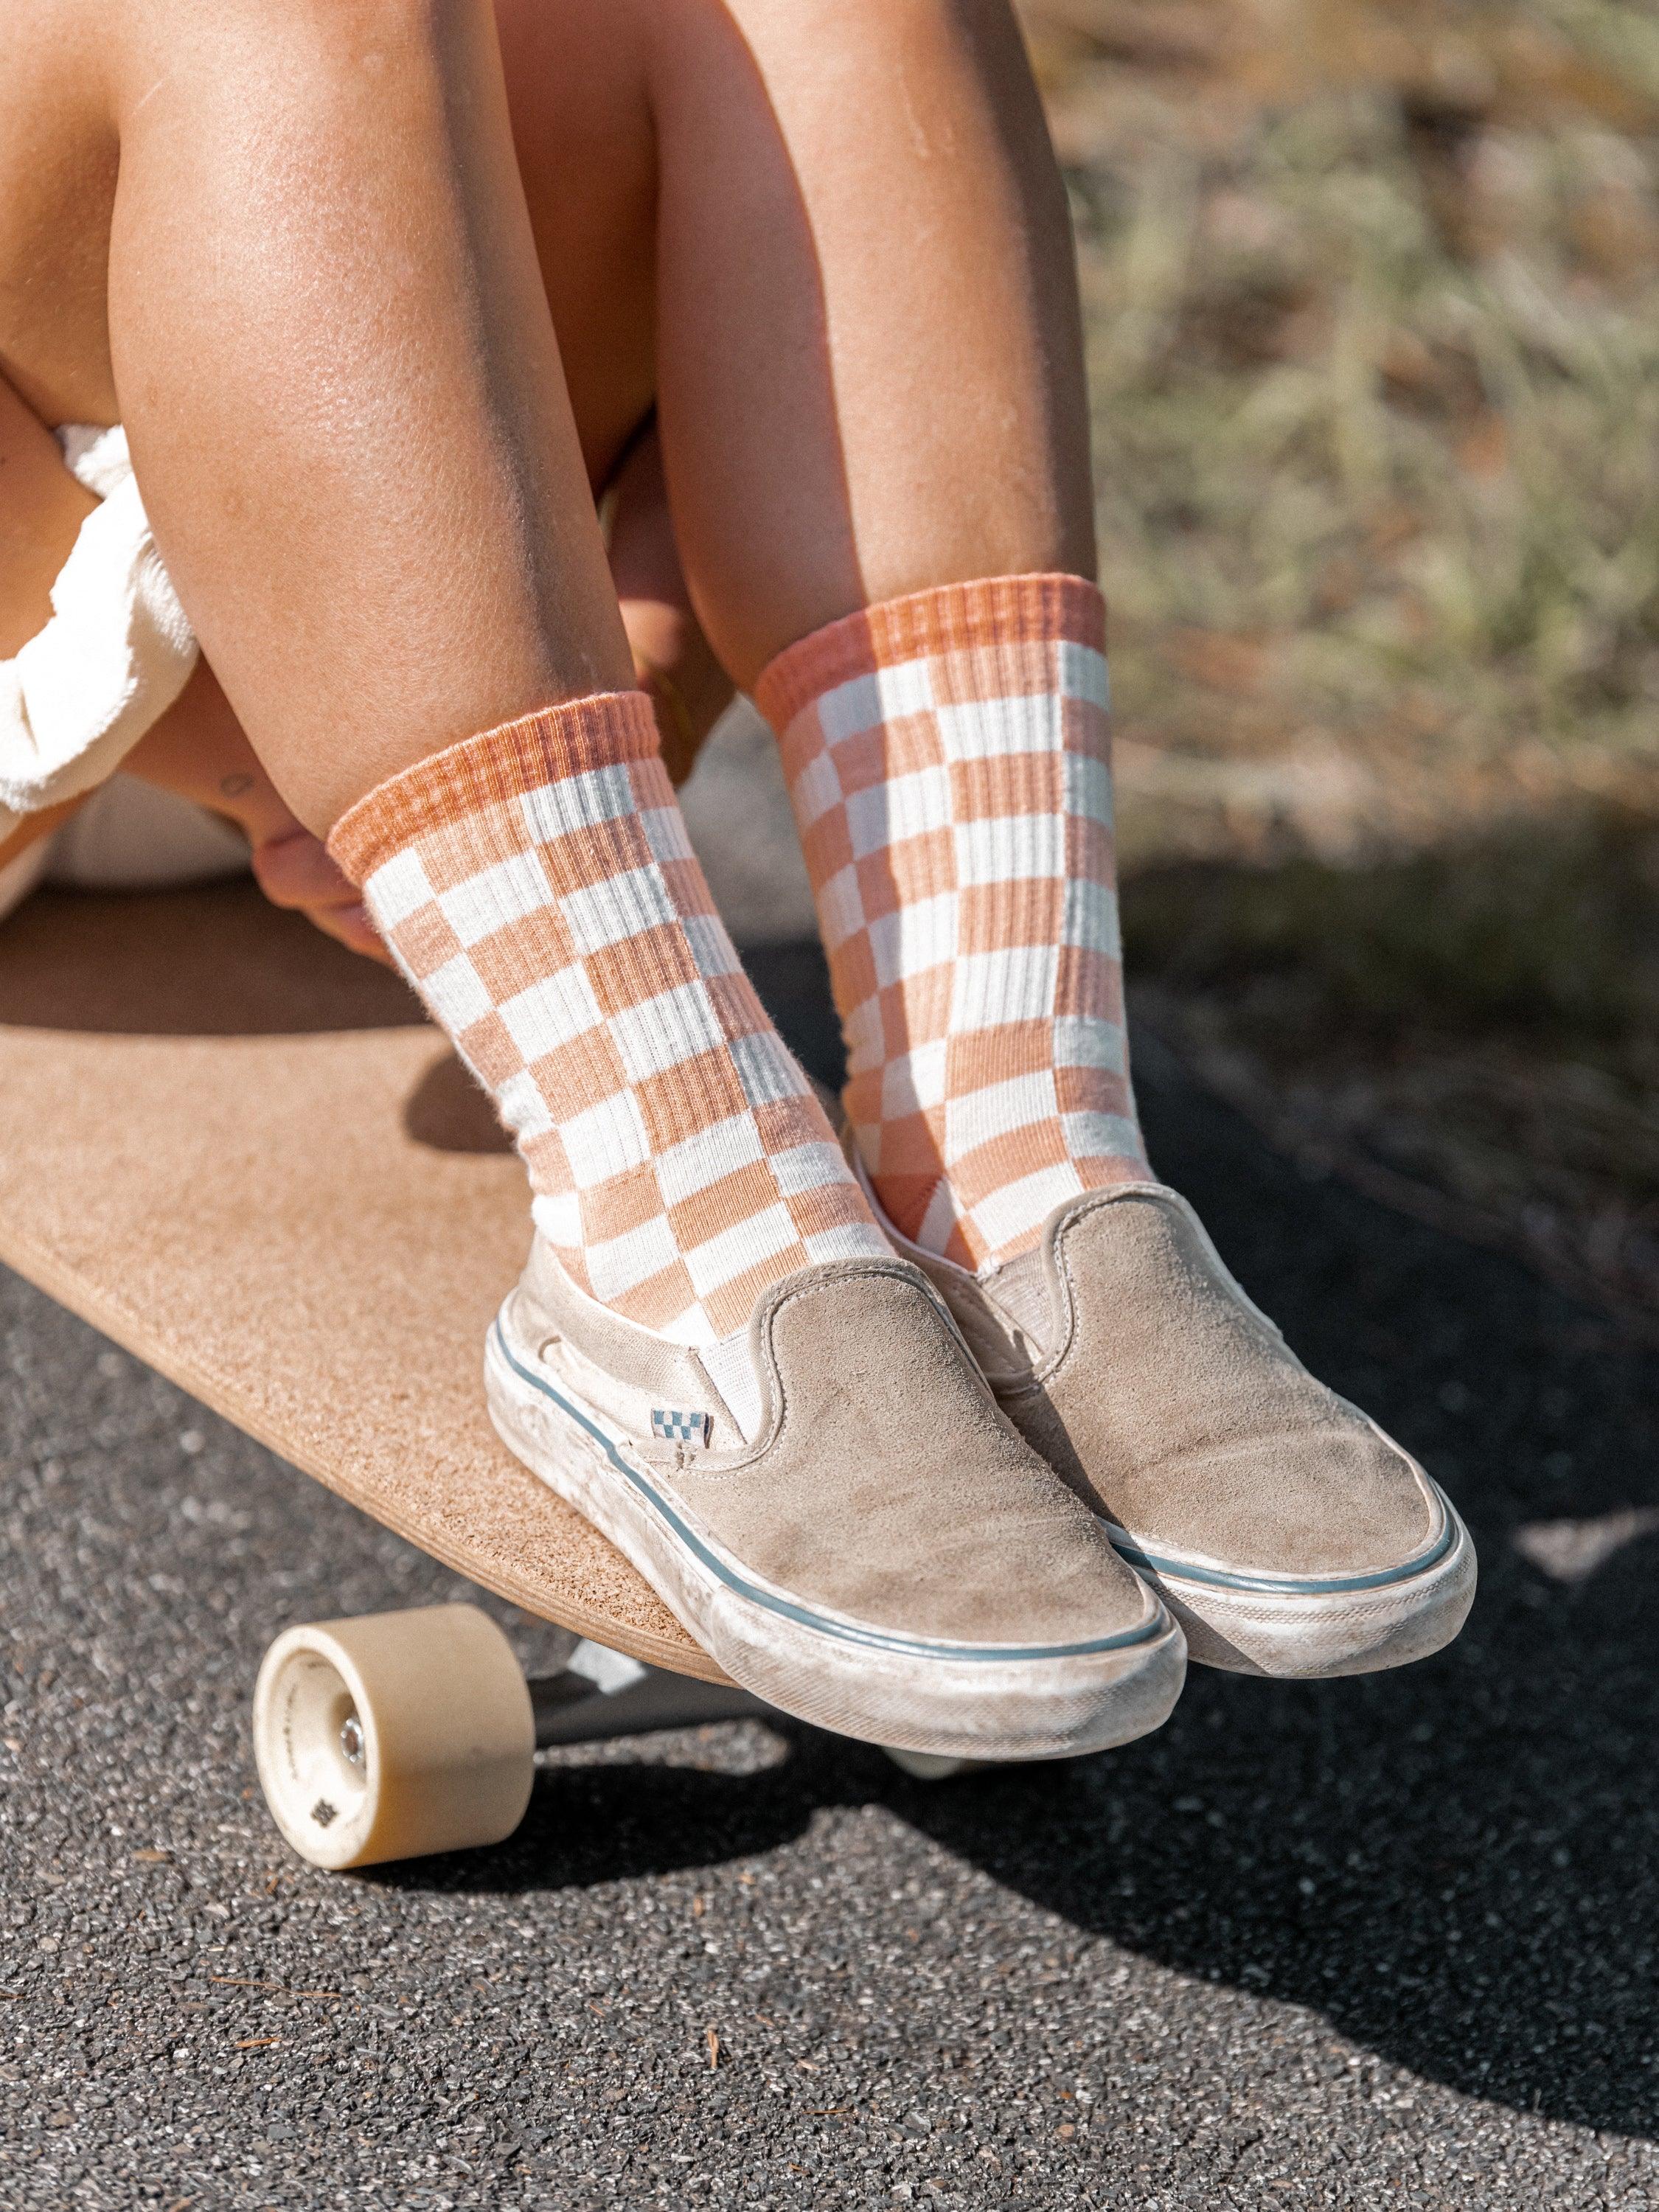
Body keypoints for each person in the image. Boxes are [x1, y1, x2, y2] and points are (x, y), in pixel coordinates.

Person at [0, 0, 1472, 1756]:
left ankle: (1011, 1164)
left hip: (475, 675)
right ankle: (675, 1260)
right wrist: (267, 749)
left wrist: (638, 639)